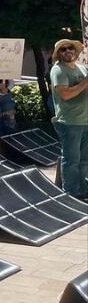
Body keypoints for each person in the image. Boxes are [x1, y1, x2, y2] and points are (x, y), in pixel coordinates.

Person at [49, 39, 88, 199]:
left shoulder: (82, 68)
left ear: (75, 51)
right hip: (69, 122)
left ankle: (82, 189)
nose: (67, 51)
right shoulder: (58, 70)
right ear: (58, 54)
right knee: (72, 160)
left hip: (85, 120)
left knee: (84, 160)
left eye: (70, 48)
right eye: (63, 49)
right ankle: (71, 193)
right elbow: (65, 94)